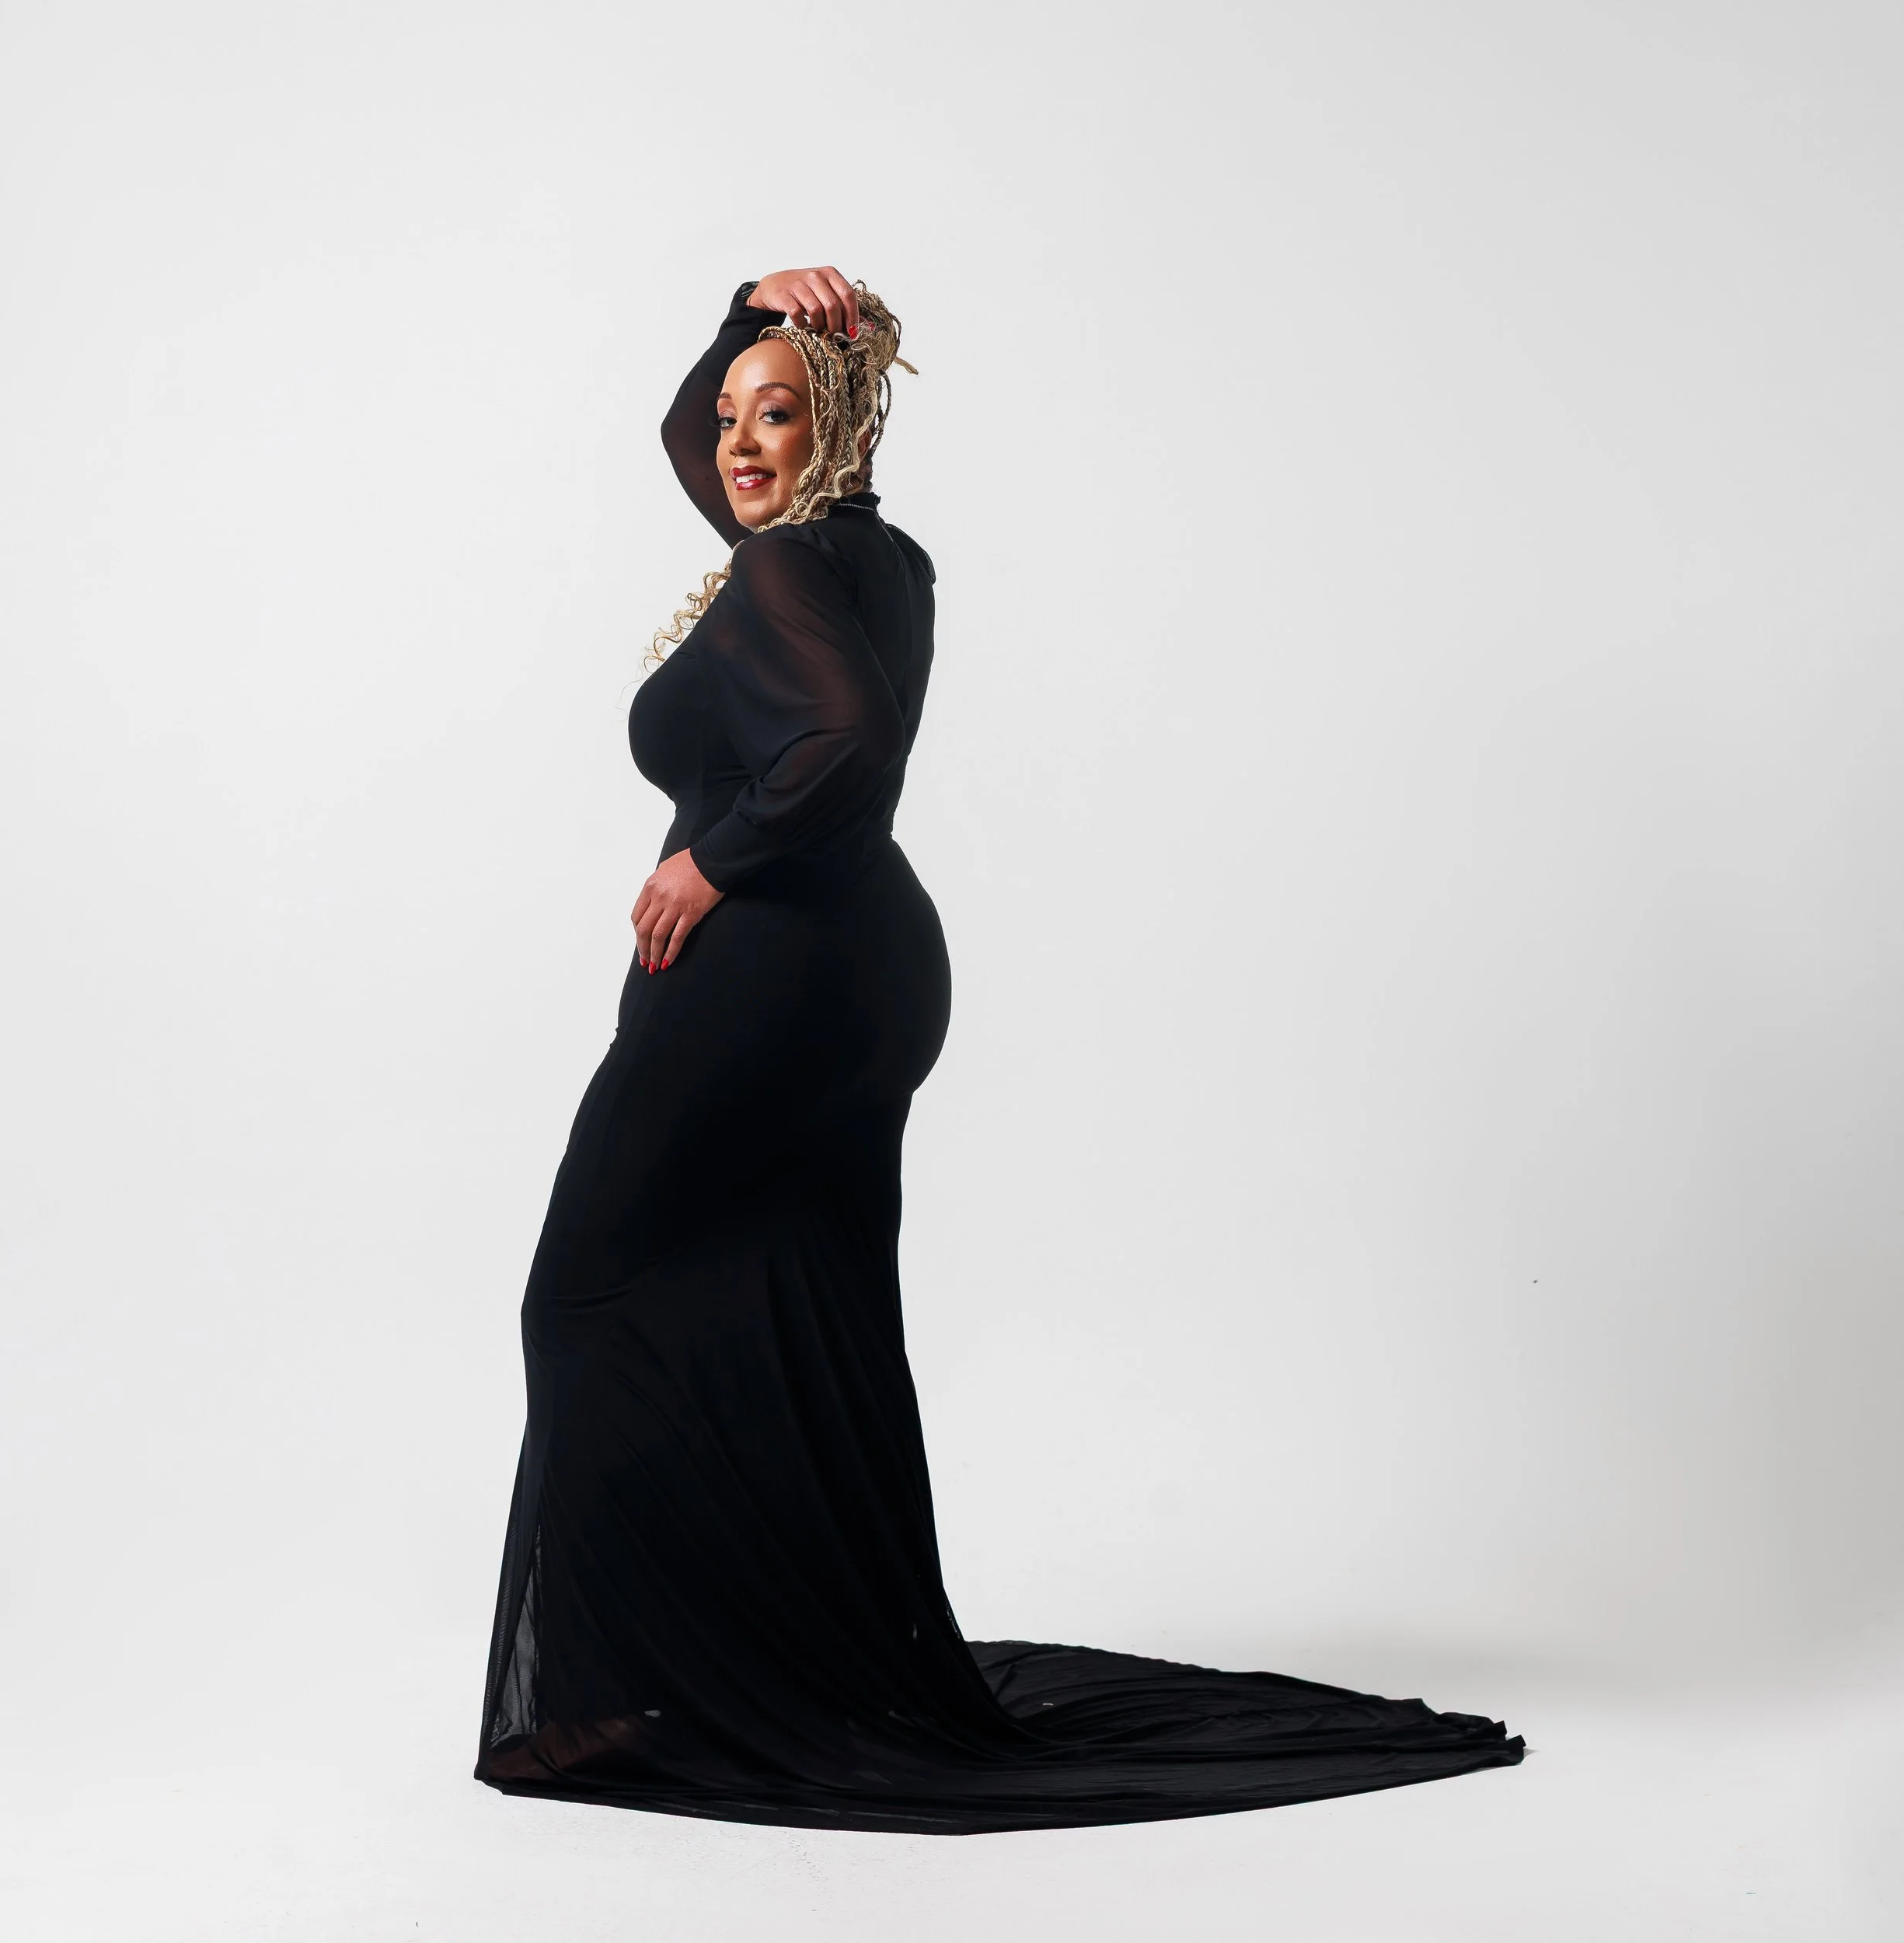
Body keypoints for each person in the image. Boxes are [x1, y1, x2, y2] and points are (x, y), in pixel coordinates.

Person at [474, 267, 1525, 1832]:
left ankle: (618, 1701)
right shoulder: (872, 558)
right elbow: (710, 472)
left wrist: (715, 859)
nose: (737, 444)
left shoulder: (784, 581)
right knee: (788, 1303)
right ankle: (752, 1666)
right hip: (865, 976)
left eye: (777, 412)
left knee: (586, 1295)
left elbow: (839, 739)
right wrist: (749, 302)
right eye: (729, 415)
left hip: (766, 976)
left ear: (835, 424)